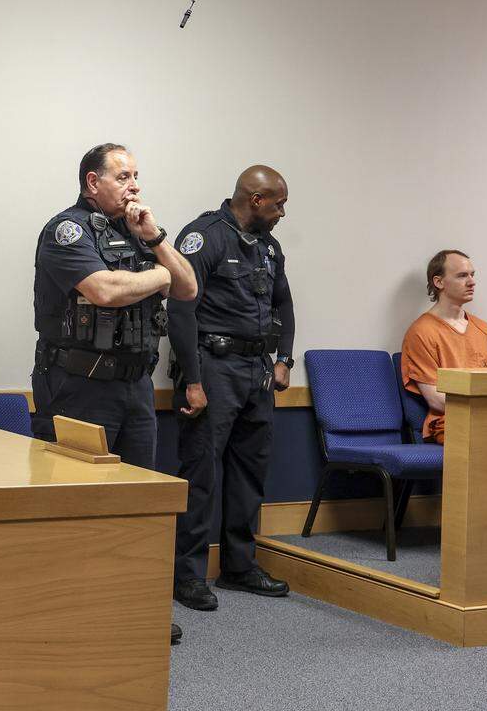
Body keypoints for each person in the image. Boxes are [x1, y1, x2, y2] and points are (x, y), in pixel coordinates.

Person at [32, 142, 197, 644]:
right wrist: (159, 275)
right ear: (92, 182)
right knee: (75, 501)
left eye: (136, 175)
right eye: (123, 176)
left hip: (135, 387)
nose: (135, 186)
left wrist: (157, 240)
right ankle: (68, 607)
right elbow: (103, 290)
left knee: (138, 501)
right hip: (79, 386)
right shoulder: (67, 231)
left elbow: (188, 288)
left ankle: (134, 603)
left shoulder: (138, 232)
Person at [168, 165, 294, 612]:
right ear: (256, 199)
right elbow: (181, 311)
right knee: (200, 472)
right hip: (213, 368)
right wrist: (194, 381)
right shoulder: (204, 237)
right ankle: (187, 576)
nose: (282, 212)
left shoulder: (268, 246)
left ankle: (240, 566)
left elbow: (283, 301)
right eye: (278, 203)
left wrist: (284, 359)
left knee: (249, 471)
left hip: (256, 370)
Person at [401, 249, 487, 444]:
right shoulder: (421, 332)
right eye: (462, 276)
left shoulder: (485, 329)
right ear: (439, 282)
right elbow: (437, 400)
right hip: (454, 423)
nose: (472, 282)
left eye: (472, 275)